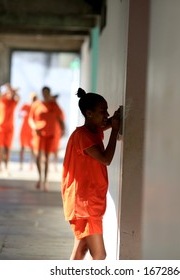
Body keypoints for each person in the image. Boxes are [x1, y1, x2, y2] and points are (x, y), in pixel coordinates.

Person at [61, 87, 122, 260]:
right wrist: (115, 129)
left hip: (87, 201)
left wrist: (113, 120)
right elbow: (106, 159)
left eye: (107, 111)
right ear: (89, 113)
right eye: (103, 111)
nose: (106, 115)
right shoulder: (83, 136)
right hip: (85, 204)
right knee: (100, 255)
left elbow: (105, 124)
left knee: (81, 250)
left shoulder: (92, 131)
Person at [29, 86, 65, 191]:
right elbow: (30, 119)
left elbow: (59, 118)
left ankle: (45, 180)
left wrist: (62, 129)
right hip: (39, 132)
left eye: (47, 92)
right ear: (42, 93)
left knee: (47, 157)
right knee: (38, 156)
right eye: (43, 92)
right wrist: (34, 127)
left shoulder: (53, 104)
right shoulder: (36, 104)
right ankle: (40, 178)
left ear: (49, 93)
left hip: (51, 133)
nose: (45, 94)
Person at [0, 83, 20, 173]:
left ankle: (6, 166)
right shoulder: (2, 100)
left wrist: (14, 92)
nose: (9, 94)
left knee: (7, 148)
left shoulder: (13, 102)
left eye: (10, 93)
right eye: (8, 93)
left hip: (9, 128)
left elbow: (18, 98)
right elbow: (1, 93)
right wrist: (10, 88)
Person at [18, 92, 37, 170]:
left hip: (32, 130)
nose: (34, 100)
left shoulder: (36, 107)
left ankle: (31, 164)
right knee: (22, 147)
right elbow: (19, 114)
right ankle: (21, 165)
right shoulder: (25, 105)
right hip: (24, 129)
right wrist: (24, 114)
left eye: (35, 98)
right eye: (33, 98)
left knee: (33, 148)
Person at [49, 94, 65, 172]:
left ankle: (54, 165)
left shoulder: (57, 108)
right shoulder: (47, 106)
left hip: (56, 132)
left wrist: (62, 130)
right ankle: (47, 165)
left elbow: (62, 120)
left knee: (55, 149)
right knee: (47, 149)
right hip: (49, 131)